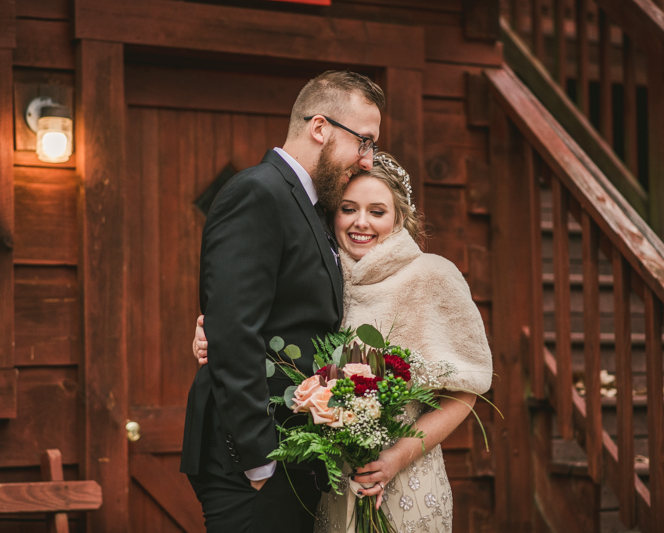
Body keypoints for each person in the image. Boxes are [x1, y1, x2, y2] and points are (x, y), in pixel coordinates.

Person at [193, 153, 494, 533]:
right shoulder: (322, 279)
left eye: (377, 211)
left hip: (404, 480)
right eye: (348, 209)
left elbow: (466, 392)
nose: (360, 222)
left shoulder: (433, 277)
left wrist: (397, 457)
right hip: (329, 486)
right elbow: (255, 323)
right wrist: (212, 334)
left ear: (400, 219)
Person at [180, 70, 385, 533]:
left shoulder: (311, 207)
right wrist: (260, 464)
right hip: (252, 460)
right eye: (364, 142)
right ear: (320, 128)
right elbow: (234, 333)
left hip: (293, 457)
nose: (368, 161)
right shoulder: (259, 193)